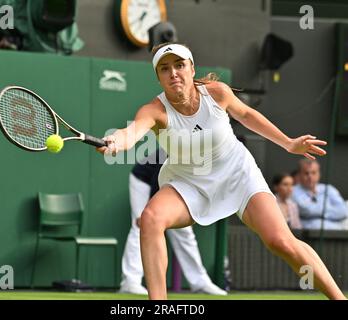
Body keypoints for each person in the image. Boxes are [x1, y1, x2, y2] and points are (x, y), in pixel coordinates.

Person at [97, 42, 346, 300]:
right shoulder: (154, 111)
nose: (173, 73)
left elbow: (247, 115)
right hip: (187, 182)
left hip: (237, 174)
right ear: (158, 77)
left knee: (280, 242)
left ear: (192, 69)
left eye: (179, 65)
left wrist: (289, 143)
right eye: (164, 69)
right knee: (151, 219)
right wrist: (117, 141)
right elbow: (131, 133)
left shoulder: (216, 93)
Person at [120, 147, 227, 295]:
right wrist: (147, 216)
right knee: (140, 226)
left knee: (184, 231)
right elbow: (157, 183)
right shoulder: (176, 153)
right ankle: (130, 281)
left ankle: (200, 282)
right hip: (143, 181)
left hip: (170, 186)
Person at [292, 159, 347, 230]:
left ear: (319, 174)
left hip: (336, 234)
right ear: (299, 175)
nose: (310, 176)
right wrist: (330, 209)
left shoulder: (329, 189)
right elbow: (307, 210)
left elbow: (343, 211)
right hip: (310, 235)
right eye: (306, 173)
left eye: (313, 173)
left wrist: (321, 212)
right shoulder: (293, 191)